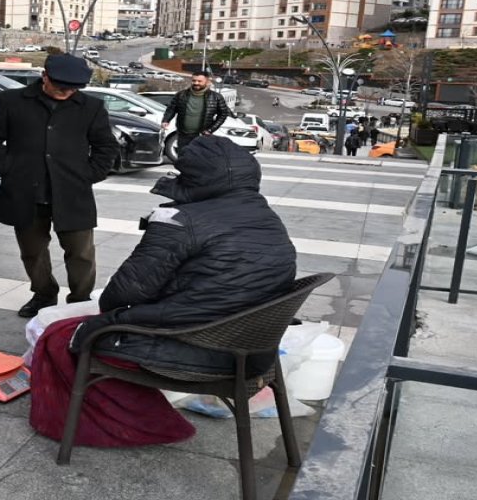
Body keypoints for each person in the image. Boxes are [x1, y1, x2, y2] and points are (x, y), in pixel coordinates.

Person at [28, 137, 298, 445]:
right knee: (83, 328)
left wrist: (161, 230)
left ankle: (129, 427)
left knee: (60, 337)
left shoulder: (181, 220)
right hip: (254, 350)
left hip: (203, 350)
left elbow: (117, 297)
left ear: (194, 178)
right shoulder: (266, 217)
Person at [0, 54, 119, 318]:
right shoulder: (11, 101)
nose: (66, 92)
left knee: (81, 252)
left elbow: (106, 146)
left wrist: (89, 174)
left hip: (72, 191)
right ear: (44, 76)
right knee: (32, 251)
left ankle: (80, 300)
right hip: (26, 190)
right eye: (60, 86)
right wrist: (7, 168)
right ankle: (43, 294)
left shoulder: (91, 107)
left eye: (73, 88)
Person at [160, 72, 230, 153]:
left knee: (199, 160)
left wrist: (210, 130)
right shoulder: (181, 95)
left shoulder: (216, 97)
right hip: (183, 134)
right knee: (183, 159)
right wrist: (166, 120)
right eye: (194, 80)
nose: (196, 83)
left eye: (199, 81)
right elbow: (171, 109)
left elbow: (223, 114)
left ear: (207, 82)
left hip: (202, 136)